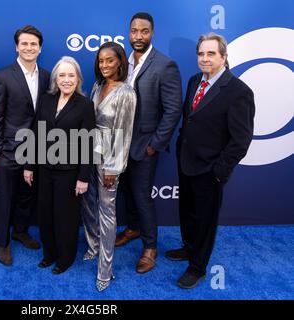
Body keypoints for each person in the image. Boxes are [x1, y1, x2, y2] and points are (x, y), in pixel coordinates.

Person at [167, 33, 255, 289]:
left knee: (205, 218)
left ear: (224, 57)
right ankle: (189, 247)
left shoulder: (239, 91)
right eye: (201, 54)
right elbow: (189, 119)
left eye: (211, 54)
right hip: (186, 161)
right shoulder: (195, 80)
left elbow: (241, 140)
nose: (204, 59)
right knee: (188, 211)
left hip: (210, 169)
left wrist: (219, 171)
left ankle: (198, 267)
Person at [115, 12, 182, 274]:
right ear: (128, 33)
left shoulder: (165, 65)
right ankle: (132, 229)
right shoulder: (123, 62)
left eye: (144, 31)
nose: (138, 36)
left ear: (152, 33)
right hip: (120, 144)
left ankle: (150, 247)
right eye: (134, 31)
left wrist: (155, 144)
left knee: (142, 196)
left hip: (145, 145)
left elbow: (173, 110)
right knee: (127, 192)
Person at [23, 56, 95, 275]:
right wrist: (29, 165)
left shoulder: (85, 105)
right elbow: (35, 133)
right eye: (62, 75)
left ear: (78, 79)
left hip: (70, 173)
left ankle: (65, 258)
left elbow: (88, 143)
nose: (66, 80)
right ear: (55, 78)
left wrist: (83, 177)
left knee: (65, 217)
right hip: (45, 169)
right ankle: (50, 254)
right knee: (45, 214)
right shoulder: (46, 100)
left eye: (71, 75)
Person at [0, 25, 50, 266]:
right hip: (8, 150)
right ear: (16, 46)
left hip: (37, 149)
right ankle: (2, 242)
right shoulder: (2, 76)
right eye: (24, 43)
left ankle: (20, 231)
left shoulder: (46, 76)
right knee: (6, 199)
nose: (29, 47)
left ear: (40, 48)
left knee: (27, 196)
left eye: (33, 44)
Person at [81, 42, 136, 291]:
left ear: (120, 62)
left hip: (109, 157)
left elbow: (124, 132)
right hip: (89, 151)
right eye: (101, 61)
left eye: (109, 61)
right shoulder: (97, 85)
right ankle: (93, 246)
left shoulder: (126, 92)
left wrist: (115, 167)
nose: (104, 65)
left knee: (107, 212)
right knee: (87, 203)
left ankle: (105, 269)